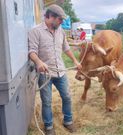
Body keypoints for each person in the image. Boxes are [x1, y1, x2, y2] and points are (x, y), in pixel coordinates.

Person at [28, 4, 81, 135]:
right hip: (44, 73)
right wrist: (39, 62)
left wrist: (75, 61)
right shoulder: (35, 31)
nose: (62, 22)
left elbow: (66, 48)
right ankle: (49, 126)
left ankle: (68, 121)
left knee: (67, 96)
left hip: (61, 71)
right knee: (46, 101)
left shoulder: (60, 30)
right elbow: (32, 52)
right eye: (60, 19)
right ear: (50, 16)